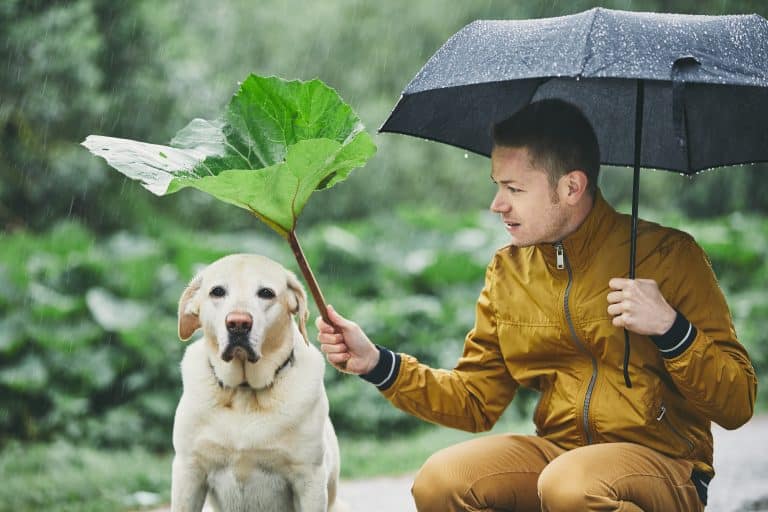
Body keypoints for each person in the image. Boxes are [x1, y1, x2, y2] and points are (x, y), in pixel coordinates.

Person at [316, 99, 757, 512]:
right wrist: (377, 364)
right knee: (440, 480)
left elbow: (737, 403)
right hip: (560, 456)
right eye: (496, 186)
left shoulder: (670, 256)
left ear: (571, 187)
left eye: (513, 188)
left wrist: (670, 328)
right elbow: (475, 400)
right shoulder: (509, 272)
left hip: (665, 465)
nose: (497, 205)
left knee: (569, 486)